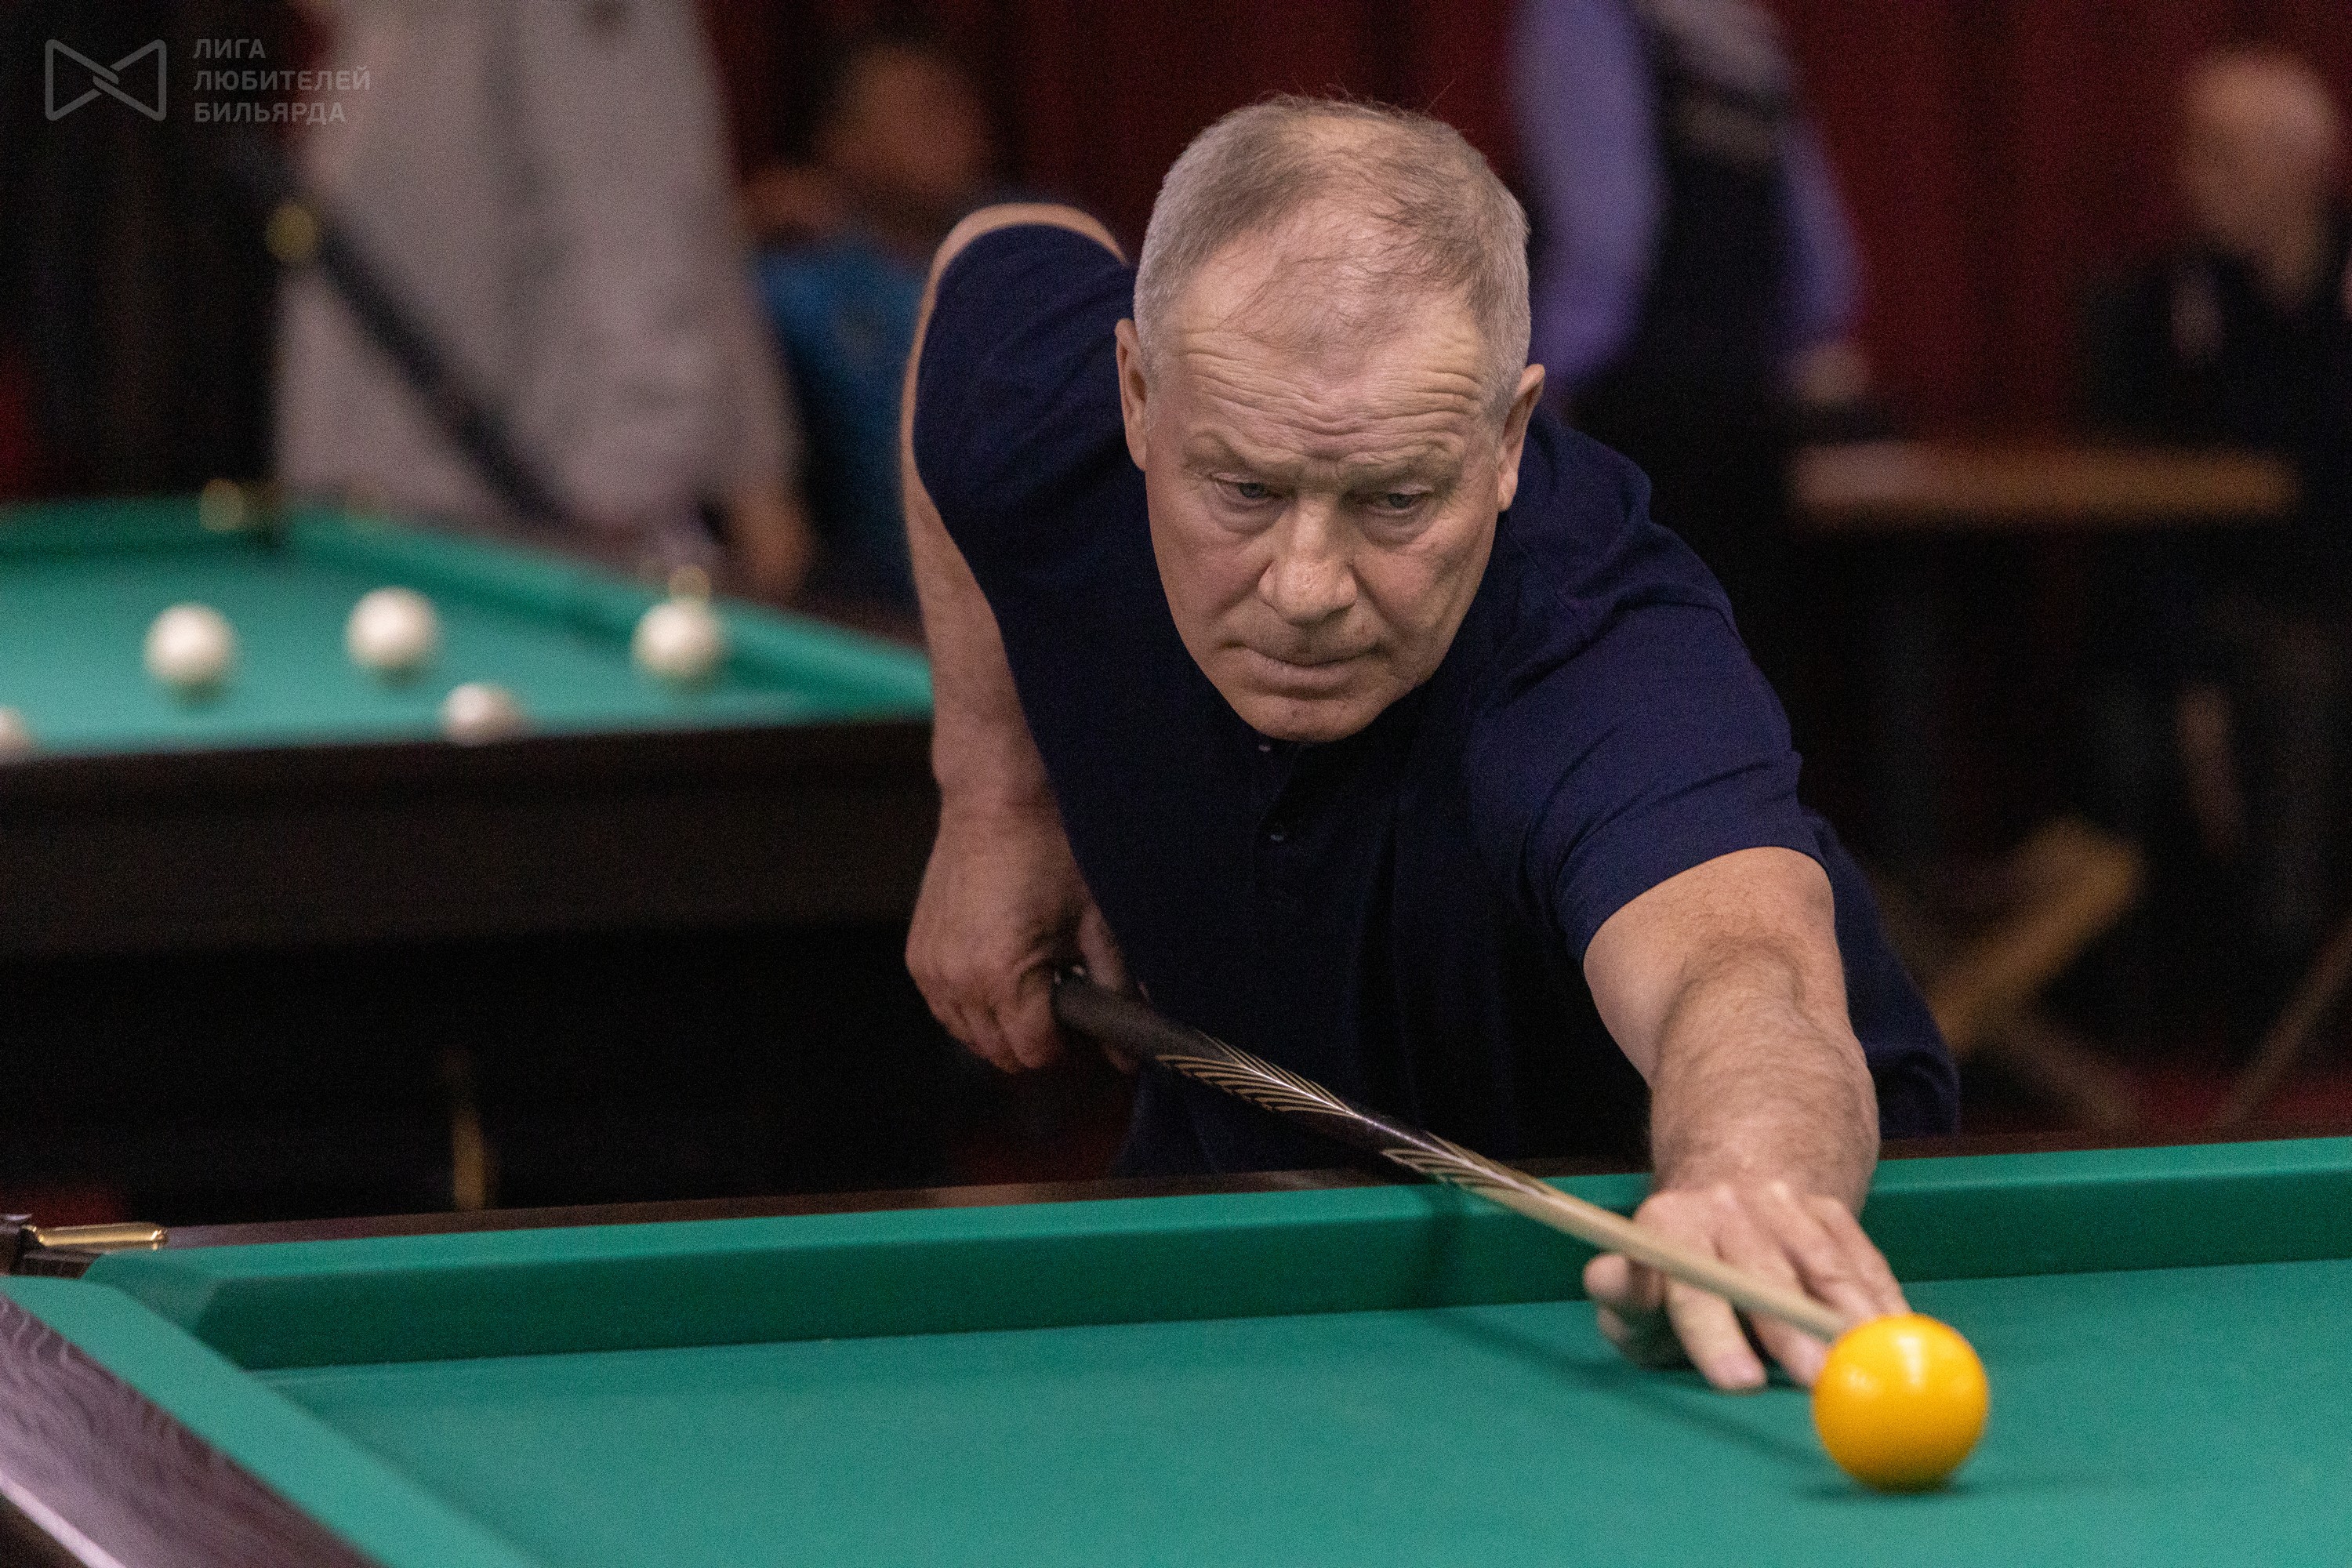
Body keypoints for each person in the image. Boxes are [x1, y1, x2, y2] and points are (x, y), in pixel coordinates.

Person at [902, 98, 1955, 1392]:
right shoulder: (1050, 424)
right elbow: (986, 262)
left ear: (1506, 439)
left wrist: (1746, 1179)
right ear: (1134, 394)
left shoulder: (1596, 656)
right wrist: (995, 796)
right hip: (1254, 1183)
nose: (1306, 585)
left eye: (1395, 498)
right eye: (1244, 489)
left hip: (1670, 1268)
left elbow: (1744, 974)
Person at [277, 0, 812, 597]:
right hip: (396, 543)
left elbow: (652, 261)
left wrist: (601, 542)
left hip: (524, 562)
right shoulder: (382, 29)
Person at [2082, 50, 2352, 1000]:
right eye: (2191, 150)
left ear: (2306, 167)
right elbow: (2145, 504)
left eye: (2224, 153)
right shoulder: (2168, 301)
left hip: (2328, 591)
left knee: (2310, 659)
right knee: (2291, 669)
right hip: (2203, 604)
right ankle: (2267, 991)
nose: (2194, 177)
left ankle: (2291, 983)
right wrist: (2191, 673)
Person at [1509, 0, 1867, 709]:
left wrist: (1546, 384)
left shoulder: (1585, 15)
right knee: (1736, 678)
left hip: (1627, 419)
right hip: (1748, 411)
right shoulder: (1746, 39)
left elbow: (1608, 231)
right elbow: (1823, 266)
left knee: (1623, 687)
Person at [748, 31, 996, 613]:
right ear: (843, 143)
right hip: (871, 613)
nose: (945, 125)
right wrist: (746, 219)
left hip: (1041, 604)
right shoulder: (797, 286)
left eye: (952, 102)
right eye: (915, 109)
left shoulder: (1039, 245)